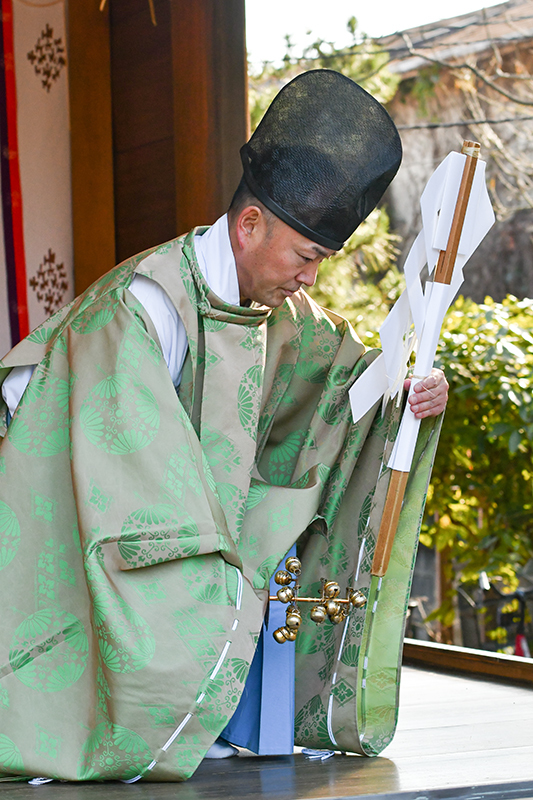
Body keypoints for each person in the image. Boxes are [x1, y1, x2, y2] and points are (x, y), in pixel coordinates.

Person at [0, 70, 447, 783]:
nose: (309, 280)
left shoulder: (276, 312)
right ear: (248, 225)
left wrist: (410, 393)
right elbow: (133, 485)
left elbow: (352, 386)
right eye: (305, 258)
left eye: (319, 264)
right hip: (49, 505)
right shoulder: (143, 307)